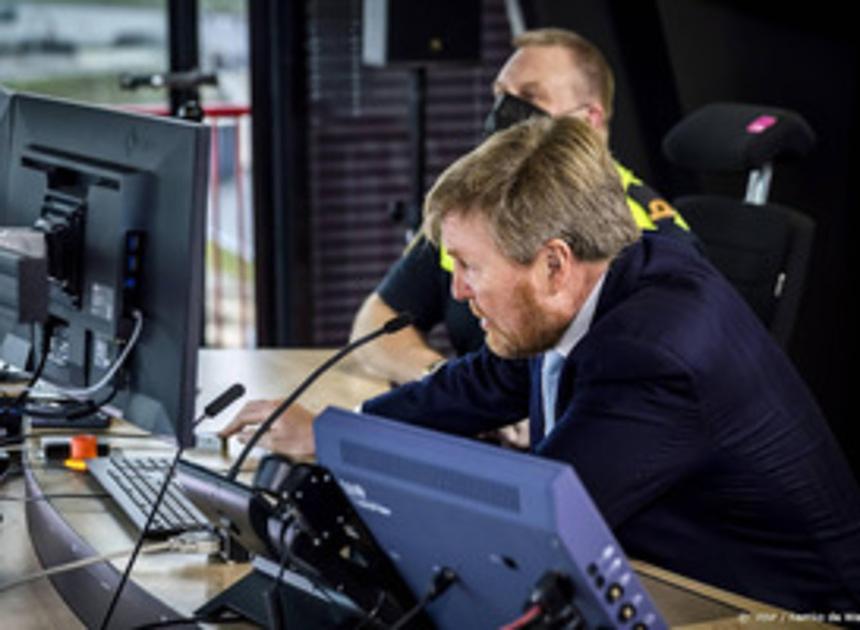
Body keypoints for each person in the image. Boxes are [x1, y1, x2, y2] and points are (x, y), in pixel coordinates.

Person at [222, 116, 860, 613]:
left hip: (776, 613)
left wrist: (358, 479)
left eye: (469, 267)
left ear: (554, 264)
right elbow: (485, 379)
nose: (459, 293)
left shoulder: (655, 354)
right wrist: (336, 431)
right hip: (670, 581)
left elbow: (523, 526)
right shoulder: (601, 280)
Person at [350, 27, 696, 387]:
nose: (505, 112)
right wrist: (439, 377)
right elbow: (376, 321)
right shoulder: (475, 210)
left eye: (529, 96)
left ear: (588, 120)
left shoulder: (644, 228)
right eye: (501, 94)